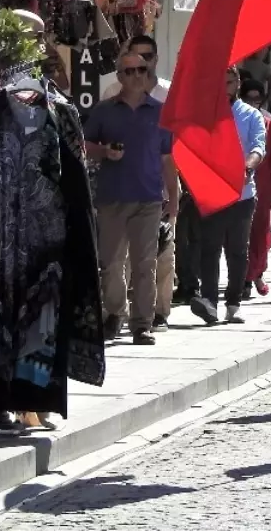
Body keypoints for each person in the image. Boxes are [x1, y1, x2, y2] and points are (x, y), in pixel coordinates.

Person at [83, 52, 177, 345]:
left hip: (148, 199)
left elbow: (167, 160)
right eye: (130, 70)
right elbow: (85, 145)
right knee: (111, 262)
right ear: (119, 76)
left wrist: (173, 197)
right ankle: (114, 313)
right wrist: (105, 151)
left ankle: (142, 324)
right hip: (112, 197)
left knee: (145, 264)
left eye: (142, 69)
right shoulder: (104, 110)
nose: (137, 75)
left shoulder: (160, 112)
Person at [190, 67, 266, 326]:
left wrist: (248, 167)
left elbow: (258, 146)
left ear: (237, 83)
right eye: (219, 82)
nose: (224, 87)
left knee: (237, 250)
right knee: (209, 248)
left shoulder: (250, 115)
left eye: (229, 82)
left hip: (242, 193)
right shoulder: (203, 114)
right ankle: (209, 301)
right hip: (211, 191)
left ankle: (233, 303)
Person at [240, 79, 271, 298]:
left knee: (261, 235)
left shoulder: (270, 126)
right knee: (240, 235)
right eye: (249, 98)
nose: (254, 102)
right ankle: (246, 277)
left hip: (263, 189)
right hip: (239, 186)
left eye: (258, 99)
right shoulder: (234, 121)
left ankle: (253, 276)